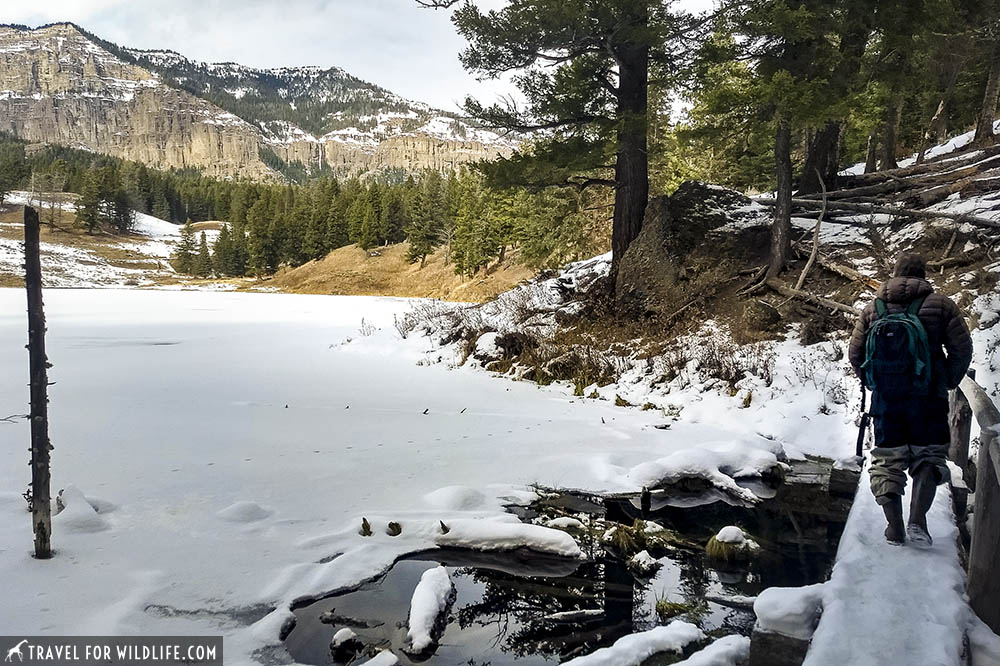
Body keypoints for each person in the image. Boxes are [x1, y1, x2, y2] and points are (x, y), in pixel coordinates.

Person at [848, 253, 973, 547]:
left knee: (887, 460)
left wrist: (874, 382)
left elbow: (856, 354)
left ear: (895, 274)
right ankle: (918, 520)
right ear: (923, 275)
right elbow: (962, 349)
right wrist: (948, 380)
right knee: (928, 455)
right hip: (928, 395)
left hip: (886, 399)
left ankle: (894, 527)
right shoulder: (941, 305)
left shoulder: (872, 308)